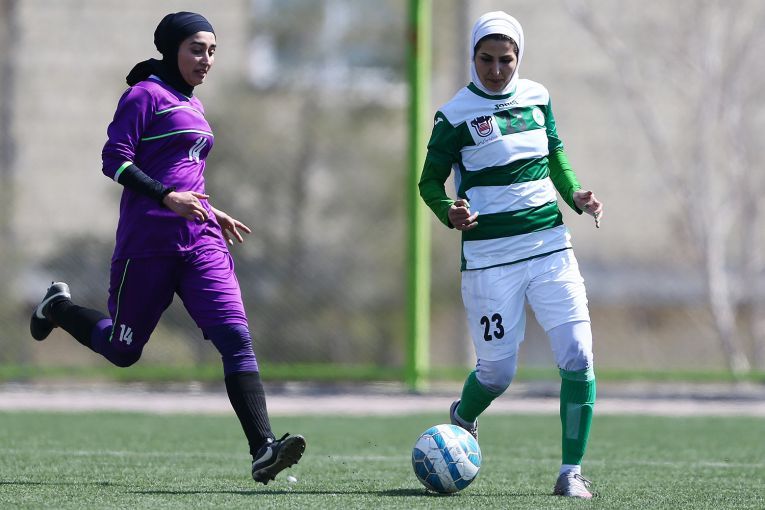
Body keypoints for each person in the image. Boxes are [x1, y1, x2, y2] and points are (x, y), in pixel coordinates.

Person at [29, 11, 305, 485]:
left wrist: (209, 209)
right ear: (172, 49)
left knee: (236, 339)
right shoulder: (145, 96)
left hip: (201, 243)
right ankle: (58, 307)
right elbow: (114, 161)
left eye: (212, 51)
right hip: (148, 246)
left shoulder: (193, 104)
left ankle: (263, 448)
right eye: (197, 49)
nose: (206, 59)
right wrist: (167, 198)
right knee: (122, 351)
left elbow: (183, 175)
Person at [418, 11, 603, 499]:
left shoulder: (538, 97)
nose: (496, 69)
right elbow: (429, 182)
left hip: (550, 248)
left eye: (506, 59)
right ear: (473, 57)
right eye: (487, 59)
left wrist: (575, 195)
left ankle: (570, 472)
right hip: (489, 260)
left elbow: (554, 154)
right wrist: (448, 211)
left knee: (578, 353)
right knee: (498, 374)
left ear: (519, 57)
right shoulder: (453, 115)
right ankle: (463, 415)